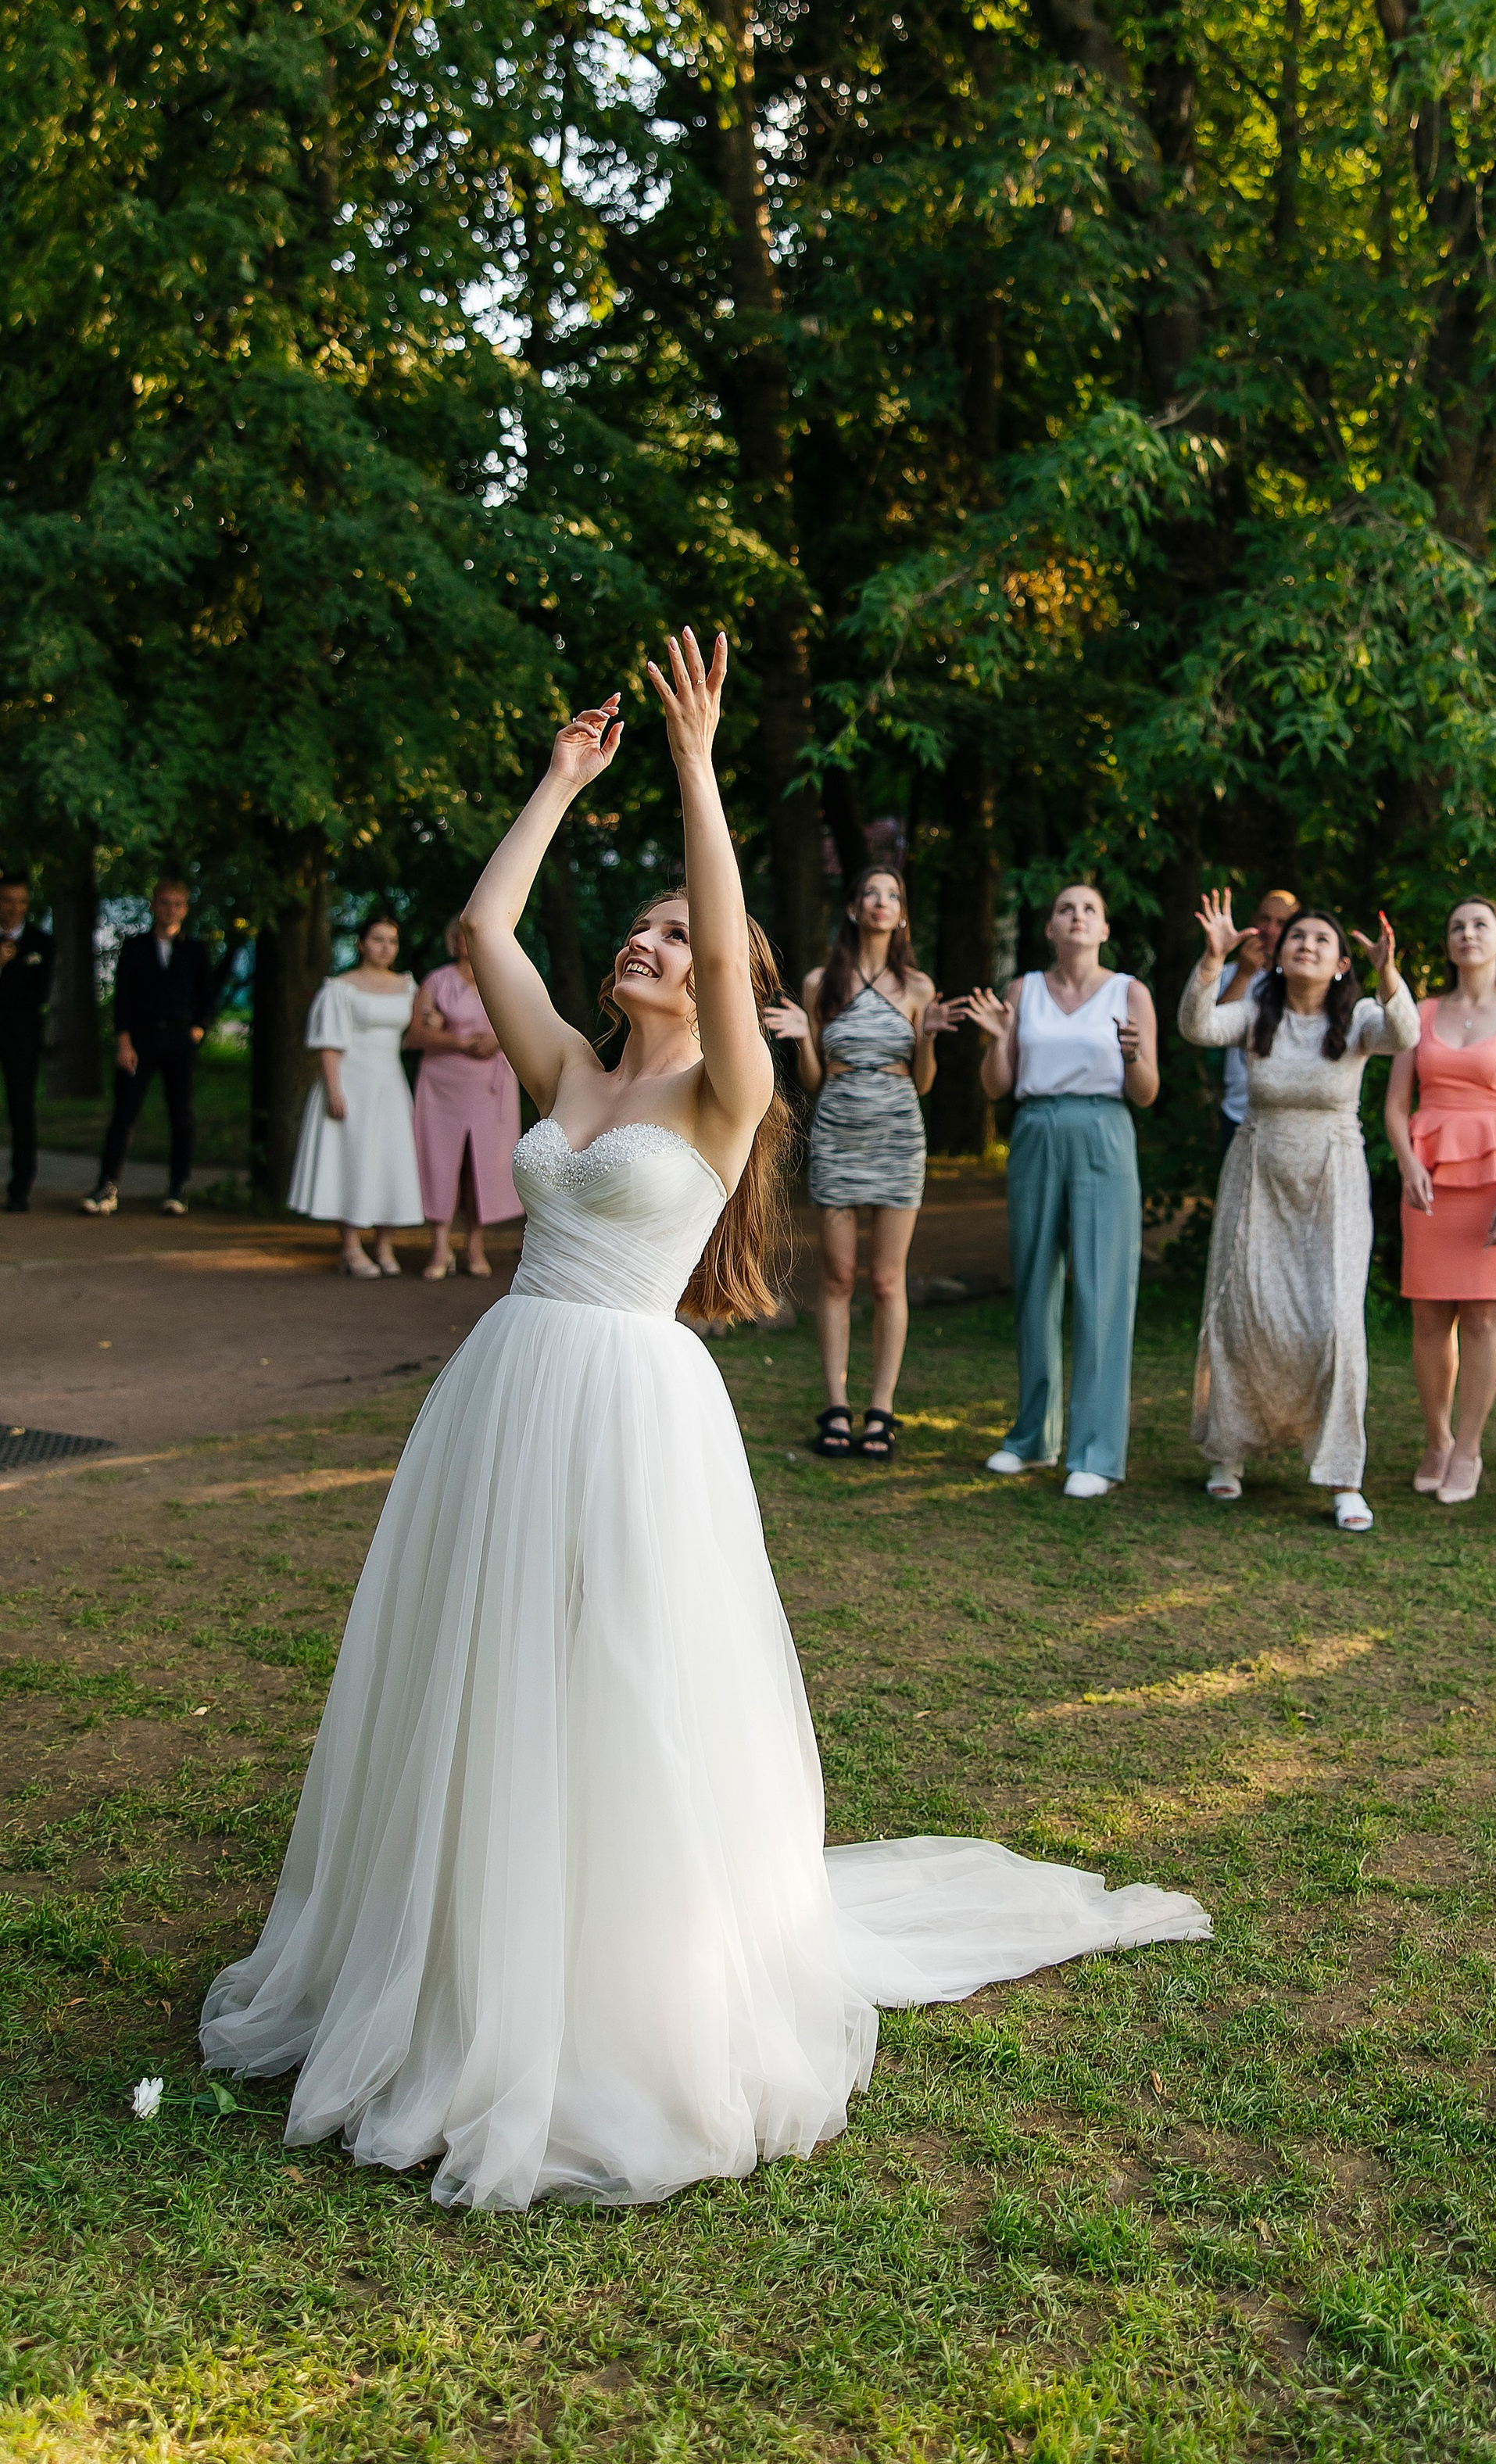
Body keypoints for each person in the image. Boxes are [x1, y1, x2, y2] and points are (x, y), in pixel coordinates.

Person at [200, 635, 1208, 2211]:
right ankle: (466, 1945)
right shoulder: (569, 1078)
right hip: (505, 1391)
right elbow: (481, 925)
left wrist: (693, 764)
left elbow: (734, 958)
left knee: (615, 1677)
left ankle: (613, 1979)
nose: (649, 948)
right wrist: (560, 780)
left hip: (626, 1409)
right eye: (641, 933)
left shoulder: (721, 1094)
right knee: (492, 1668)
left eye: (673, 938)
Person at [1179, 892, 1416, 1529]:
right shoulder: (1257, 1010)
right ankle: (1228, 1453)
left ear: (1343, 962)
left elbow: (1405, 1035)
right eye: (1296, 939)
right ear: (1279, 955)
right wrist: (1213, 959)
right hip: (1256, 1173)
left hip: (1332, 1178)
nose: (1305, 945)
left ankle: (1343, 1476)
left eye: (1320, 940)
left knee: (1336, 1320)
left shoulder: (1362, 1015)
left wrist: (1389, 971)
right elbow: (1197, 1027)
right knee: (1241, 1310)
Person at [960, 883, 1161, 1501]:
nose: (1077, 917)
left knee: (1103, 1291)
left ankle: (1095, 1451)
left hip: (1104, 1128)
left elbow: (1148, 1091)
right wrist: (997, 1039)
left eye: (1090, 910)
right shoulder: (1023, 991)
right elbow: (997, 1087)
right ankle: (1032, 1437)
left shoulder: (1131, 993)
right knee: (1035, 1283)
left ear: (1104, 929)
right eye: (1065, 909)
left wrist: (1133, 1057)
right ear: (1049, 928)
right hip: (1037, 1128)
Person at [762, 864, 957, 1460]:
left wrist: (927, 1040)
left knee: (888, 1279)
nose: (881, 902)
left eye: (892, 895)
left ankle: (882, 1411)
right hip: (839, 1131)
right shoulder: (824, 982)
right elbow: (816, 1082)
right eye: (871, 893)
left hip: (899, 1132)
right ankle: (836, 1409)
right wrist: (802, 1037)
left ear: (902, 914)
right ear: (853, 909)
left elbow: (923, 1083)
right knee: (839, 1278)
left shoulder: (919, 988)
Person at [1385, 897, 1496, 1506]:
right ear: (1448, 943)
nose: (1467, 934)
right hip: (1426, 1181)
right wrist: (1407, 1164)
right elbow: (1395, 1105)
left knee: (1483, 1318)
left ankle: (1470, 1448)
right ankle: (1436, 1438)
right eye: (1456, 926)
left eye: (1480, 925)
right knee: (1429, 1317)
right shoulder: (1420, 1013)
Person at [287, 909, 424, 1277]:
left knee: (391, 1159)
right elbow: (328, 1043)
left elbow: (422, 1027)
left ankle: (384, 1244)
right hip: (352, 1080)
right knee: (351, 1157)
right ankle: (350, 1246)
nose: (385, 948)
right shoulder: (340, 988)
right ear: (362, 944)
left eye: (392, 941)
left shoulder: (409, 986)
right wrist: (334, 1089)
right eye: (378, 940)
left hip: (390, 1084)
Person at [81, 880, 216, 1217]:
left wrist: (197, 1030)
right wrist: (124, 1041)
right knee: (124, 1114)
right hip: (140, 1040)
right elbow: (122, 997)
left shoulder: (195, 951)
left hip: (179, 1040)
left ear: (185, 909)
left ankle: (177, 1188)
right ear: (154, 905)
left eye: (178, 904)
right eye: (165, 903)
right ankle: (108, 1185)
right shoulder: (135, 947)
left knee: (181, 1115)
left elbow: (207, 997)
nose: (171, 909)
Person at [411, 914, 523, 1281]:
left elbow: (523, 1025)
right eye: (458, 935)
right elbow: (415, 1034)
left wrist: (498, 1039)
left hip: (490, 1085)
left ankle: (475, 1245)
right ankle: (440, 1245)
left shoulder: (501, 978)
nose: (465, 940)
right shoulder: (436, 981)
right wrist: (459, 1041)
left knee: (483, 1165)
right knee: (441, 1161)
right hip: (443, 1083)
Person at [1217, 888, 1298, 1151]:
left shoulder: (1305, 979)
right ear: (1253, 921)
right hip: (1238, 1112)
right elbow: (1213, 1028)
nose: (1271, 929)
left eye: (1282, 923)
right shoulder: (1229, 973)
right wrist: (1244, 974)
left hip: (1289, 1117)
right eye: (1265, 919)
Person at [0, 876, 54, 1213]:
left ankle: (20, 1187)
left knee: (22, 1110)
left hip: (21, 1036)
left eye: (21, 901)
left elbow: (39, 992)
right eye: (8, 900)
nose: (15, 908)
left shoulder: (41, 942)